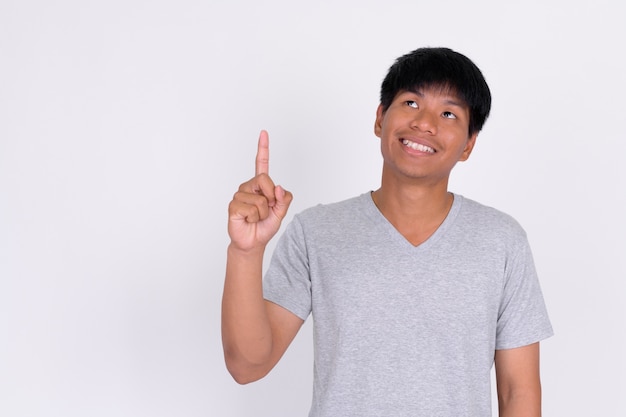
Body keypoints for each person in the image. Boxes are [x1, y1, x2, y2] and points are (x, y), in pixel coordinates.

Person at [222, 47, 553, 417]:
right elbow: (248, 365)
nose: (425, 123)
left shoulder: (502, 242)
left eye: (448, 113)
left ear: (468, 145)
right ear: (380, 119)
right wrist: (245, 252)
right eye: (411, 103)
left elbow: (518, 394)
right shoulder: (315, 233)